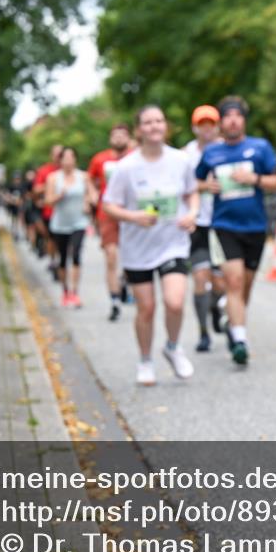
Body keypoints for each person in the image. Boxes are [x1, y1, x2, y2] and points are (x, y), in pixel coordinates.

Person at [103, 105, 199, 385]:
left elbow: (192, 193)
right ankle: (145, 360)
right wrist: (134, 216)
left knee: (175, 302)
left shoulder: (181, 160)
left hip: (173, 244)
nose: (154, 126)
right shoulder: (126, 167)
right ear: (139, 130)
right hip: (138, 248)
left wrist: (192, 214)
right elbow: (109, 205)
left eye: (159, 120)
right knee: (146, 308)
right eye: (148, 122)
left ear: (165, 126)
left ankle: (173, 347)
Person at [195, 96, 276, 365]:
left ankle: (233, 322)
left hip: (255, 227)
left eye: (238, 116)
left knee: (245, 286)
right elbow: (195, 182)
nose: (233, 121)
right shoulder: (211, 153)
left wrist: (254, 178)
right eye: (228, 117)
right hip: (224, 226)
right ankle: (240, 341)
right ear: (221, 123)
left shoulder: (260, 148)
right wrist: (206, 186)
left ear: (244, 121)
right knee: (233, 282)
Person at [184, 105, 227, 352]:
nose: (207, 129)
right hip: (197, 224)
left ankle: (215, 306)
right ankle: (203, 333)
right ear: (195, 128)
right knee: (200, 277)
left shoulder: (227, 149)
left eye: (211, 124)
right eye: (202, 124)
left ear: (218, 126)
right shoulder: (186, 154)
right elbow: (180, 184)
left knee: (220, 283)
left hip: (222, 223)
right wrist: (203, 186)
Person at [87, 124, 134, 321]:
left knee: (133, 257)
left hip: (132, 213)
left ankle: (125, 281)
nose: (119, 138)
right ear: (110, 139)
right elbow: (90, 179)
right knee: (111, 256)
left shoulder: (135, 157)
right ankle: (114, 301)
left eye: (123, 135)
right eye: (115, 135)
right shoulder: (100, 159)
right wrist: (92, 194)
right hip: (107, 212)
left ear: (129, 138)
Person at [45, 147, 96, 308]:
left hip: (79, 222)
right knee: (62, 259)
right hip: (60, 224)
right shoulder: (53, 178)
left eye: (70, 157)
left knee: (76, 254)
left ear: (75, 159)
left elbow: (92, 194)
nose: (68, 161)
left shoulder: (83, 176)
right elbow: (48, 201)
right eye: (64, 158)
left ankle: (75, 292)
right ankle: (65, 291)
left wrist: (89, 202)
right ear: (60, 160)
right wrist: (59, 196)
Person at [33, 145, 63, 279]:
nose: (59, 157)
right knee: (51, 239)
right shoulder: (45, 171)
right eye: (56, 154)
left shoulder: (70, 171)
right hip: (50, 211)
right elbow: (36, 189)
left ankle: (62, 261)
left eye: (61, 154)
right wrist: (51, 185)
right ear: (51, 156)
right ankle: (53, 261)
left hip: (67, 213)